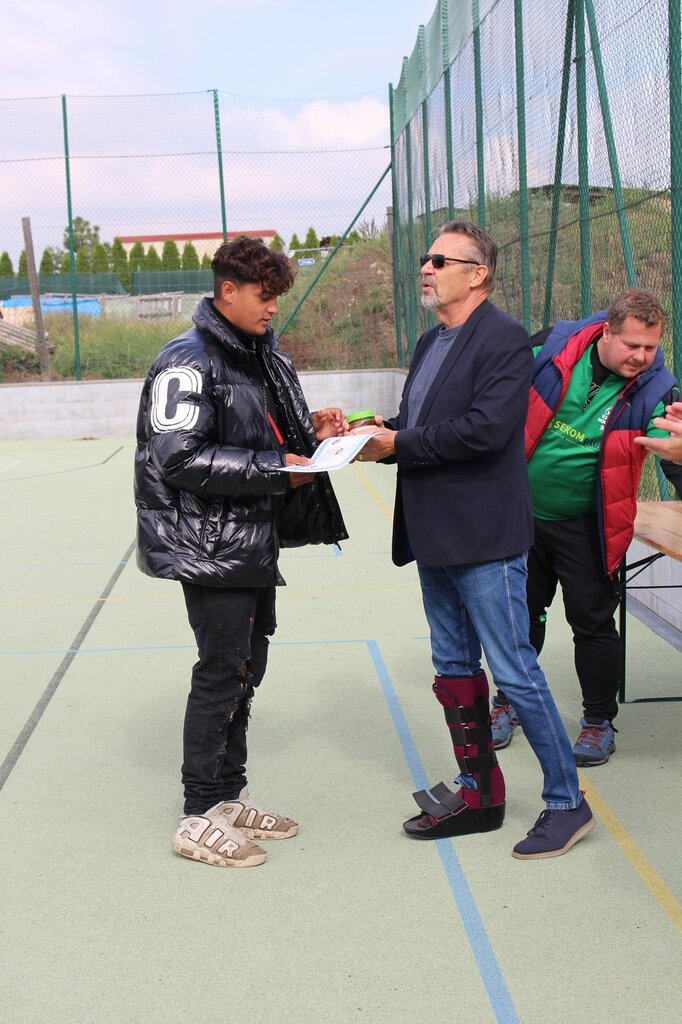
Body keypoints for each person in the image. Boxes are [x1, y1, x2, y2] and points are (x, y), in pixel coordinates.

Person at [356, 220, 594, 859]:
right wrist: (370, 433)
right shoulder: (432, 340)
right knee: (454, 667)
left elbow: (487, 430)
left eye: (440, 260)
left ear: (478, 273)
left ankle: (566, 802)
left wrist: (400, 441)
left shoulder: (504, 338)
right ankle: (479, 792)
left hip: (485, 537)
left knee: (513, 668)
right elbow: (422, 424)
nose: (426, 269)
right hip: (434, 534)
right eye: (426, 259)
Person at [134, 236, 348, 868]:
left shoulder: (260, 354)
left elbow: (267, 436)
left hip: (251, 537)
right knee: (221, 671)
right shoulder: (187, 359)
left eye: (277, 296)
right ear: (227, 290)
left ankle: (229, 796)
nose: (273, 307)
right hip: (208, 543)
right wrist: (278, 470)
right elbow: (178, 457)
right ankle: (198, 813)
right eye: (264, 295)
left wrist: (315, 436)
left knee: (247, 668)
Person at [489, 290, 682, 765]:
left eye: (650, 347)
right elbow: (490, 392)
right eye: (632, 345)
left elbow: (674, 455)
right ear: (606, 331)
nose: (641, 357)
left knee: (592, 625)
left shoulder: (660, 391)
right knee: (520, 618)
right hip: (520, 516)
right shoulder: (550, 347)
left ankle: (598, 722)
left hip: (589, 528)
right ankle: (507, 702)